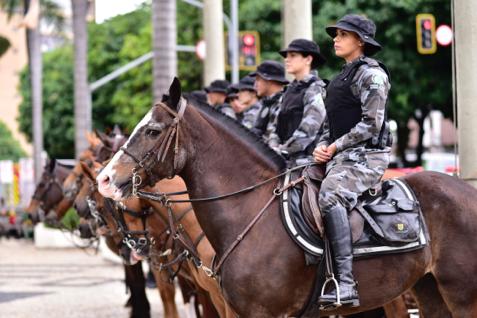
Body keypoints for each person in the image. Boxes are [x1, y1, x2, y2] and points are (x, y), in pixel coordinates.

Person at [313, 14, 392, 308]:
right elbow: (329, 125)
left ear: (359, 41)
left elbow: (372, 124)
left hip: (367, 157)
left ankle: (345, 282)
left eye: (342, 35)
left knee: (331, 195)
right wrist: (321, 147)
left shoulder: (372, 75)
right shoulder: (340, 78)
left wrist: (334, 146)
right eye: (336, 34)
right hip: (340, 155)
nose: (335, 39)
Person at [268, 39, 327, 165]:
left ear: (308, 59)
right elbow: (274, 126)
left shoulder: (315, 88)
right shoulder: (288, 90)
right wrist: (272, 148)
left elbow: (308, 131)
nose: (286, 59)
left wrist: (282, 151)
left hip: (306, 161)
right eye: (286, 56)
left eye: (293, 55)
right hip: (281, 158)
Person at [250, 60, 289, 137]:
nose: (255, 85)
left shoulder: (284, 105)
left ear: (269, 81)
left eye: (258, 80)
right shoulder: (266, 103)